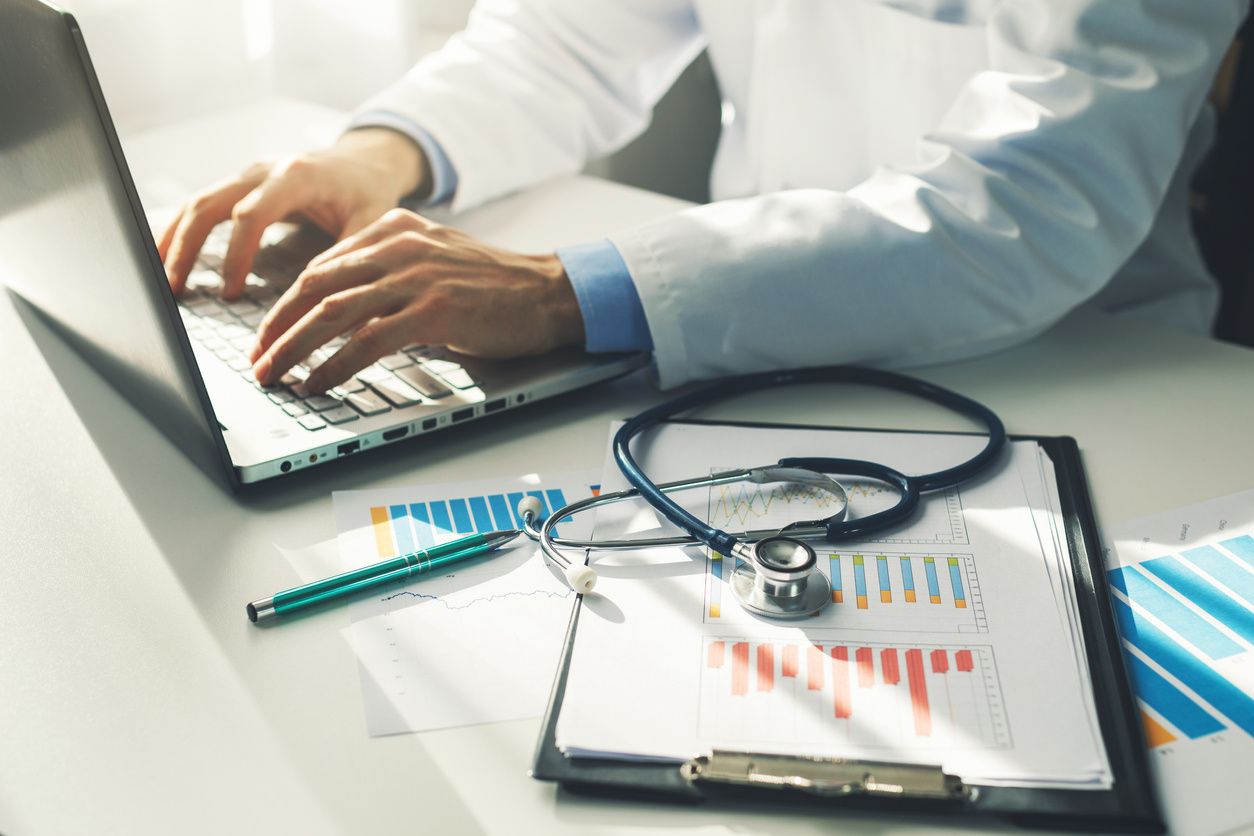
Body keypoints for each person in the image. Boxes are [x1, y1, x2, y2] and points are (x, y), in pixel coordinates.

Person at [160, 0, 1249, 395]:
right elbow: (566, 38)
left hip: (1079, 377)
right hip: (747, 354)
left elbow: (1021, 207)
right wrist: (380, 153)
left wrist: (559, 291)